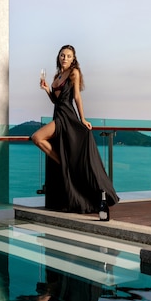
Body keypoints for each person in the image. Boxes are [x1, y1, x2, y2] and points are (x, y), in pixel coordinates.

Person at [31, 45, 119, 214]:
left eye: (68, 56)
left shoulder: (74, 72)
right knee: (40, 139)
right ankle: (65, 163)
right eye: (62, 55)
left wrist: (83, 118)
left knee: (37, 137)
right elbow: (56, 101)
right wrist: (47, 89)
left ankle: (64, 163)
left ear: (73, 59)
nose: (65, 58)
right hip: (58, 114)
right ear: (58, 57)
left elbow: (76, 96)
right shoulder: (57, 75)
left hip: (67, 117)